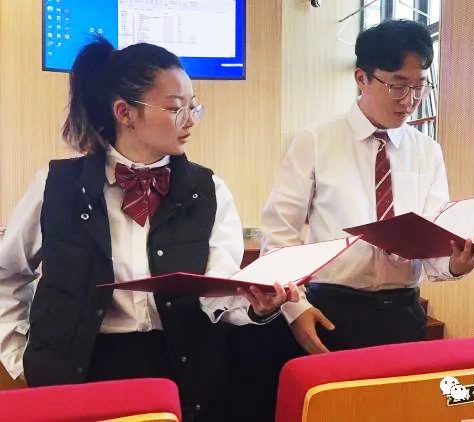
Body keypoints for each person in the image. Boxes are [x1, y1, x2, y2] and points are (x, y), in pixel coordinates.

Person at [0, 37, 298, 422]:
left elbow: (218, 290)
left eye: (193, 106)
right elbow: (8, 273)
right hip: (80, 373)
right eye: (175, 108)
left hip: (181, 373)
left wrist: (255, 306)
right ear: (124, 112)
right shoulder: (56, 186)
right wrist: (20, 358)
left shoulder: (209, 190)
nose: (190, 120)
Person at [260, 19, 474, 356]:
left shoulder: (427, 151)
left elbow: (432, 245)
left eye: (420, 86)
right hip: (330, 310)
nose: (409, 100)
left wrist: (459, 263)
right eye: (398, 86)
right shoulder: (316, 141)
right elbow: (279, 235)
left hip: (403, 313)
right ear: (362, 78)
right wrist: (295, 310)